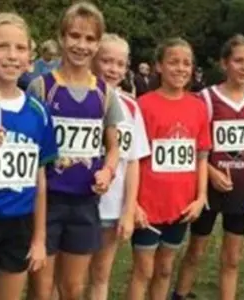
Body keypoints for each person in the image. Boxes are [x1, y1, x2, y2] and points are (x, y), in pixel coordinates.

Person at [27, 3, 123, 300]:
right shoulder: (41, 88)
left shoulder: (104, 93)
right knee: (41, 290)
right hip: (46, 203)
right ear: (61, 37)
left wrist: (107, 170)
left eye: (90, 39)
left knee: (73, 288)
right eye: (75, 36)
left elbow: (113, 146)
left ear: (98, 42)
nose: (81, 45)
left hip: (84, 203)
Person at [0, 12, 57, 300]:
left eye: (20, 48)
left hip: (20, 222)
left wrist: (39, 237)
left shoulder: (38, 111)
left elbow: (39, 178)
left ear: (30, 55)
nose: (12, 55)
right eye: (2, 46)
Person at [172, 34, 244, 300]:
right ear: (225, 63)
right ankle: (180, 294)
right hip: (209, 188)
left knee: (233, 258)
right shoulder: (206, 97)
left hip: (241, 191)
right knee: (196, 250)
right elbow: (194, 144)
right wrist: (212, 172)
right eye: (239, 60)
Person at [125, 37, 211, 300]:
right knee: (144, 271)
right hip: (148, 206)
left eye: (186, 63)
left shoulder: (197, 107)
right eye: (173, 62)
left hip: (181, 207)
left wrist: (201, 198)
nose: (181, 69)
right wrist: (134, 205)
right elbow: (134, 160)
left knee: (164, 270)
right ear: (159, 66)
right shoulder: (144, 106)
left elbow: (202, 157)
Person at [88, 33, 150, 300]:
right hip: (73, 203)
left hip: (111, 207)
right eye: (106, 61)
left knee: (101, 274)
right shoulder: (74, 97)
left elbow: (133, 161)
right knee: (68, 278)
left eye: (120, 63)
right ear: (93, 60)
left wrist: (128, 209)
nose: (113, 69)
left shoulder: (131, 106)